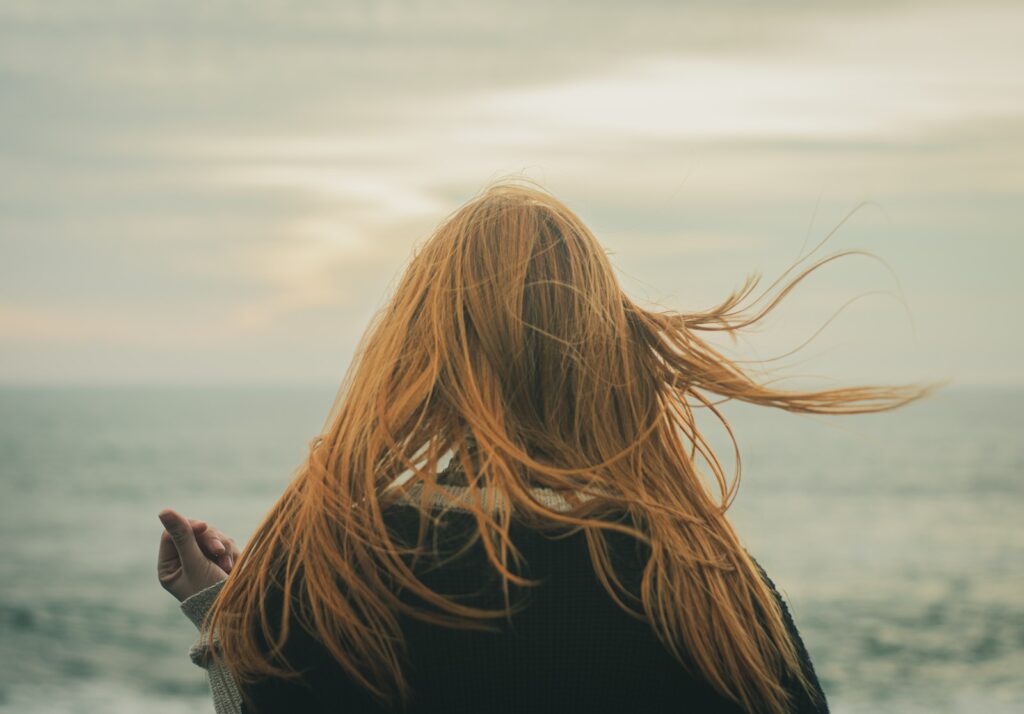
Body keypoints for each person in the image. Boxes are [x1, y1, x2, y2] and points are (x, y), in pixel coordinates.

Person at [157, 178, 940, 713]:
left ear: (430, 344)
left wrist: (228, 617)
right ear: (601, 347)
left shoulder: (334, 570)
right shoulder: (707, 583)